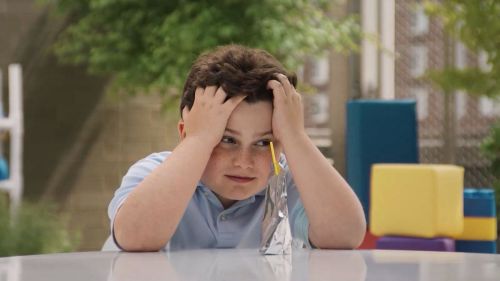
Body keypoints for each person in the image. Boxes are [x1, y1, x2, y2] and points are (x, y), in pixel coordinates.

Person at [108, 45, 366, 251]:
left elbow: (346, 236)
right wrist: (198, 141)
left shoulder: (285, 182)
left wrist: (295, 136)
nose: (244, 161)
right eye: (227, 140)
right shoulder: (152, 172)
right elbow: (134, 237)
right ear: (184, 133)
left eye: (264, 143)